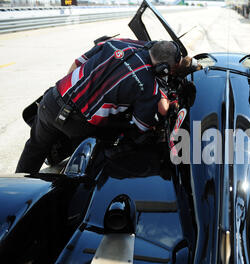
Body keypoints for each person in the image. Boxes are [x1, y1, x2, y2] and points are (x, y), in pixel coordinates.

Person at [16, 39, 183, 174]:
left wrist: (72, 94)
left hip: (51, 101)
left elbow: (76, 65)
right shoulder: (149, 87)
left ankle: (12, 193)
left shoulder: (116, 43)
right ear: (164, 70)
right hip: (79, 126)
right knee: (82, 172)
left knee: (35, 148)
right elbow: (141, 126)